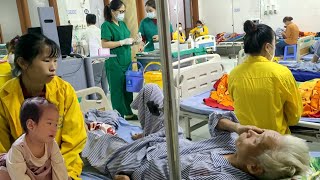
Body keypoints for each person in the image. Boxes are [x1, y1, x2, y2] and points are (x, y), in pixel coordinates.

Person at [85, 84, 310, 180]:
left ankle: (109, 135)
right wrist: (238, 127)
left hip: (136, 159)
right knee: (151, 90)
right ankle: (144, 131)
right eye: (260, 131)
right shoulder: (236, 147)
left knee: (87, 135)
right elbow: (214, 119)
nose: (253, 132)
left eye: (257, 139)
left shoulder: (220, 176)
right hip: (170, 139)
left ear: (254, 167)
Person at [0, 33, 87, 180]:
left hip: (60, 163)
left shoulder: (64, 91)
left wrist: (63, 174)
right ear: (23, 63)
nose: (53, 67)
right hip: (19, 165)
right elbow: (2, 147)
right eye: (46, 61)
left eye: (55, 60)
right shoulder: (5, 96)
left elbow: (74, 141)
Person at [229, 20, 302, 134]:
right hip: (275, 143)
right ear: (268, 47)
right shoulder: (282, 73)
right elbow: (294, 117)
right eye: (275, 44)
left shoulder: (234, 74)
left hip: (247, 143)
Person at [0, 97, 68, 180]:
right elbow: (19, 176)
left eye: (56, 124)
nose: (54, 129)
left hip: (39, 173)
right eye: (49, 123)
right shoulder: (18, 149)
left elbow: (59, 166)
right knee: (4, 174)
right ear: (31, 125)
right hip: (15, 172)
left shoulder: (51, 144)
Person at [101, 0, 137, 120]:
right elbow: (105, 44)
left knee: (128, 89)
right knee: (117, 91)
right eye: (120, 11)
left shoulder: (123, 24)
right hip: (114, 63)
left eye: (124, 11)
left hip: (126, 61)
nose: (122, 14)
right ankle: (119, 117)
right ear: (112, 11)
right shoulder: (106, 25)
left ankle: (129, 113)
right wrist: (121, 42)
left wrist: (134, 41)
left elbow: (126, 41)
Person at [82, 13, 109, 95]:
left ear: (86, 21)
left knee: (96, 80)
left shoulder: (85, 32)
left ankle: (98, 100)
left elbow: (84, 46)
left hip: (94, 59)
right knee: (104, 79)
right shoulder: (100, 30)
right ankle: (105, 97)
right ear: (95, 21)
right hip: (104, 57)